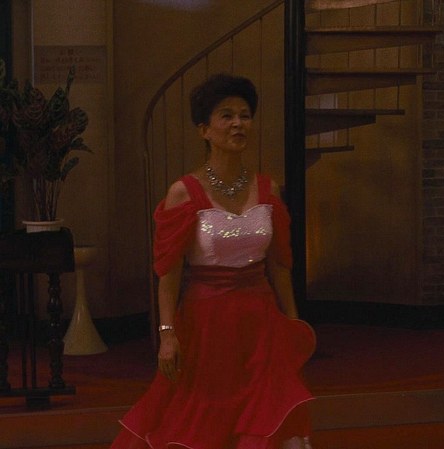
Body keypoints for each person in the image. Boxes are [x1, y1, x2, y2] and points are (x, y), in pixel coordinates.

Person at [110, 73, 316, 449]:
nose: (238, 124)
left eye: (245, 115)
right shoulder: (183, 193)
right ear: (204, 130)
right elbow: (169, 273)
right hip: (206, 325)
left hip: (261, 323)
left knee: (264, 417)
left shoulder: (268, 189)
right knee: (204, 419)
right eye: (226, 116)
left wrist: (292, 321)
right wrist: (167, 334)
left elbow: (279, 265)